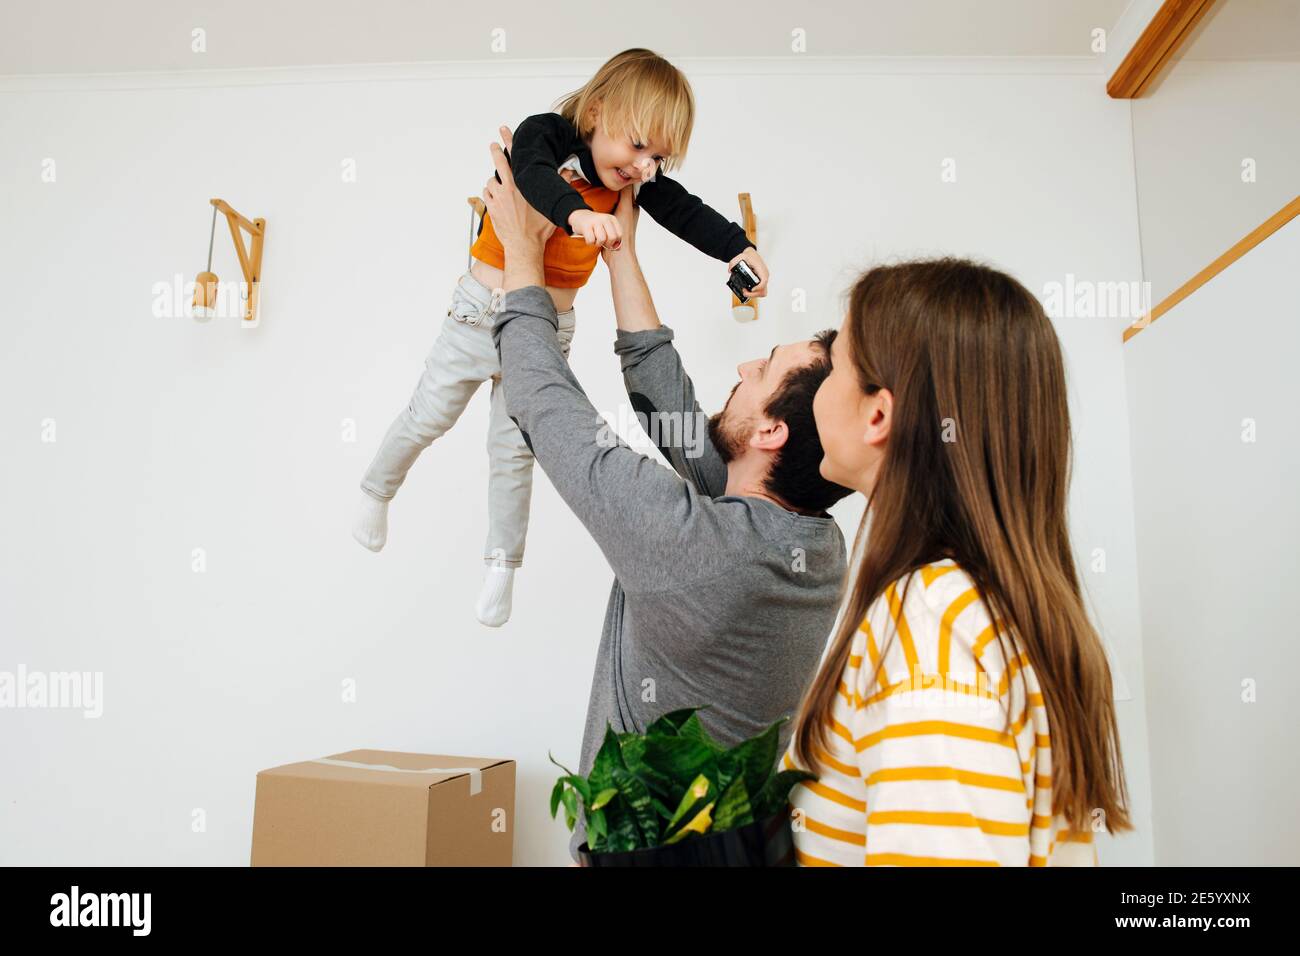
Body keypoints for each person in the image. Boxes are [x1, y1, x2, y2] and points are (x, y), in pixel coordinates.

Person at [478, 126, 853, 861]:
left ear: (773, 435)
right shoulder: (808, 539)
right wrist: (621, 247)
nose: (744, 365)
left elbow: (548, 409)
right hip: (742, 847)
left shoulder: (699, 547)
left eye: (765, 369)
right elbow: (669, 399)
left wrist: (522, 252)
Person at [351, 48, 769, 627]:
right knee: (430, 414)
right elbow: (532, 176)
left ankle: (502, 563)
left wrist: (735, 248)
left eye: (659, 158)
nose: (646, 166)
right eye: (638, 145)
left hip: (548, 328)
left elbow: (686, 210)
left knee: (515, 449)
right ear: (597, 111)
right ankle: (377, 488)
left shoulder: (636, 183)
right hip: (482, 312)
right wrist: (576, 216)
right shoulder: (546, 136)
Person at [781, 257, 1133, 866]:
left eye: (835, 366)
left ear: (878, 415)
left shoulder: (931, 623)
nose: (820, 386)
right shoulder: (981, 604)